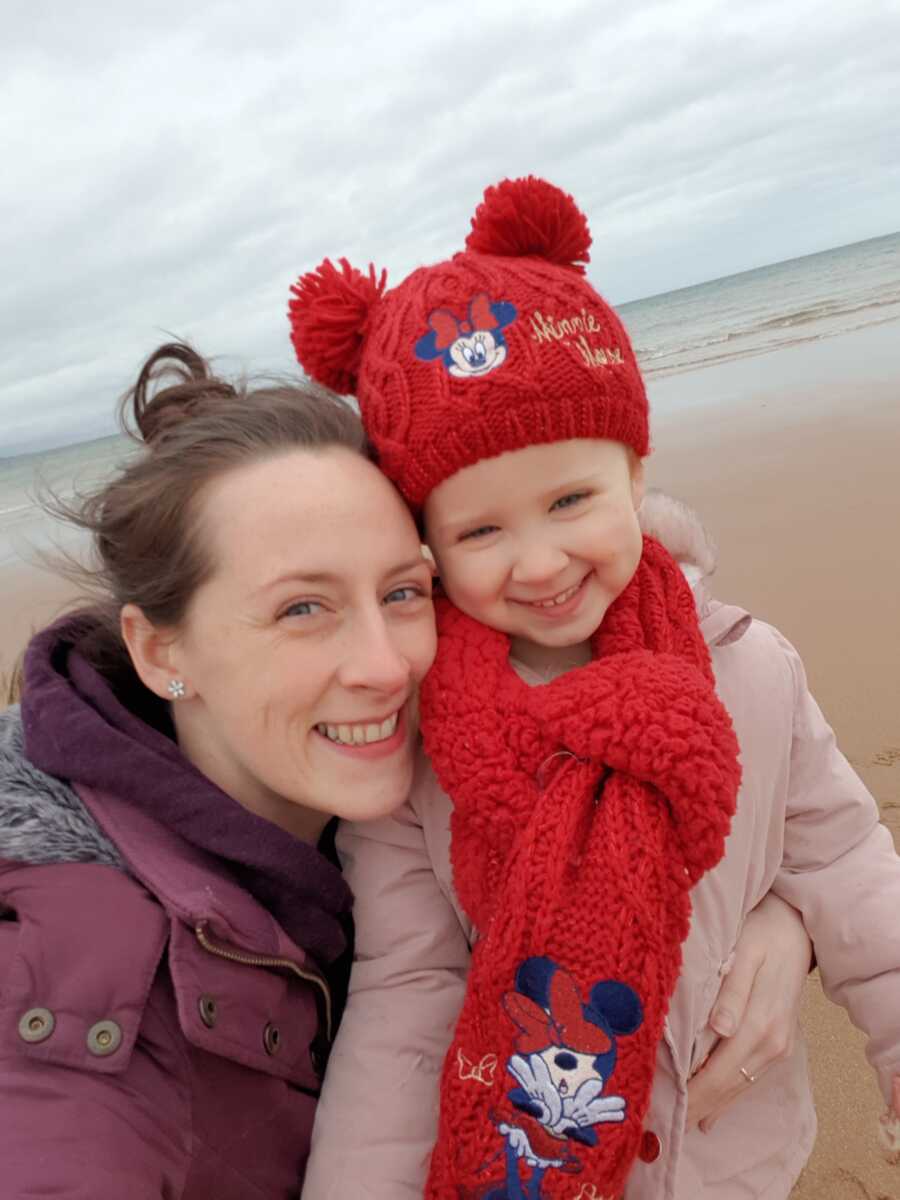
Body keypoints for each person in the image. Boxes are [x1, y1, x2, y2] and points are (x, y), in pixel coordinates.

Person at [289, 177, 900, 1198]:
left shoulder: (750, 666)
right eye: (480, 530)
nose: (537, 562)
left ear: (633, 471)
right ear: (429, 544)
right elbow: (407, 993)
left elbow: (843, 860)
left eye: (570, 498)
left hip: (734, 1157)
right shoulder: (421, 737)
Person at [0, 343, 437, 1198]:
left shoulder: (407, 788)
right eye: (302, 608)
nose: (386, 668)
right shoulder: (80, 1017)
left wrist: (784, 917)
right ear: (163, 652)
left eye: (401, 593)